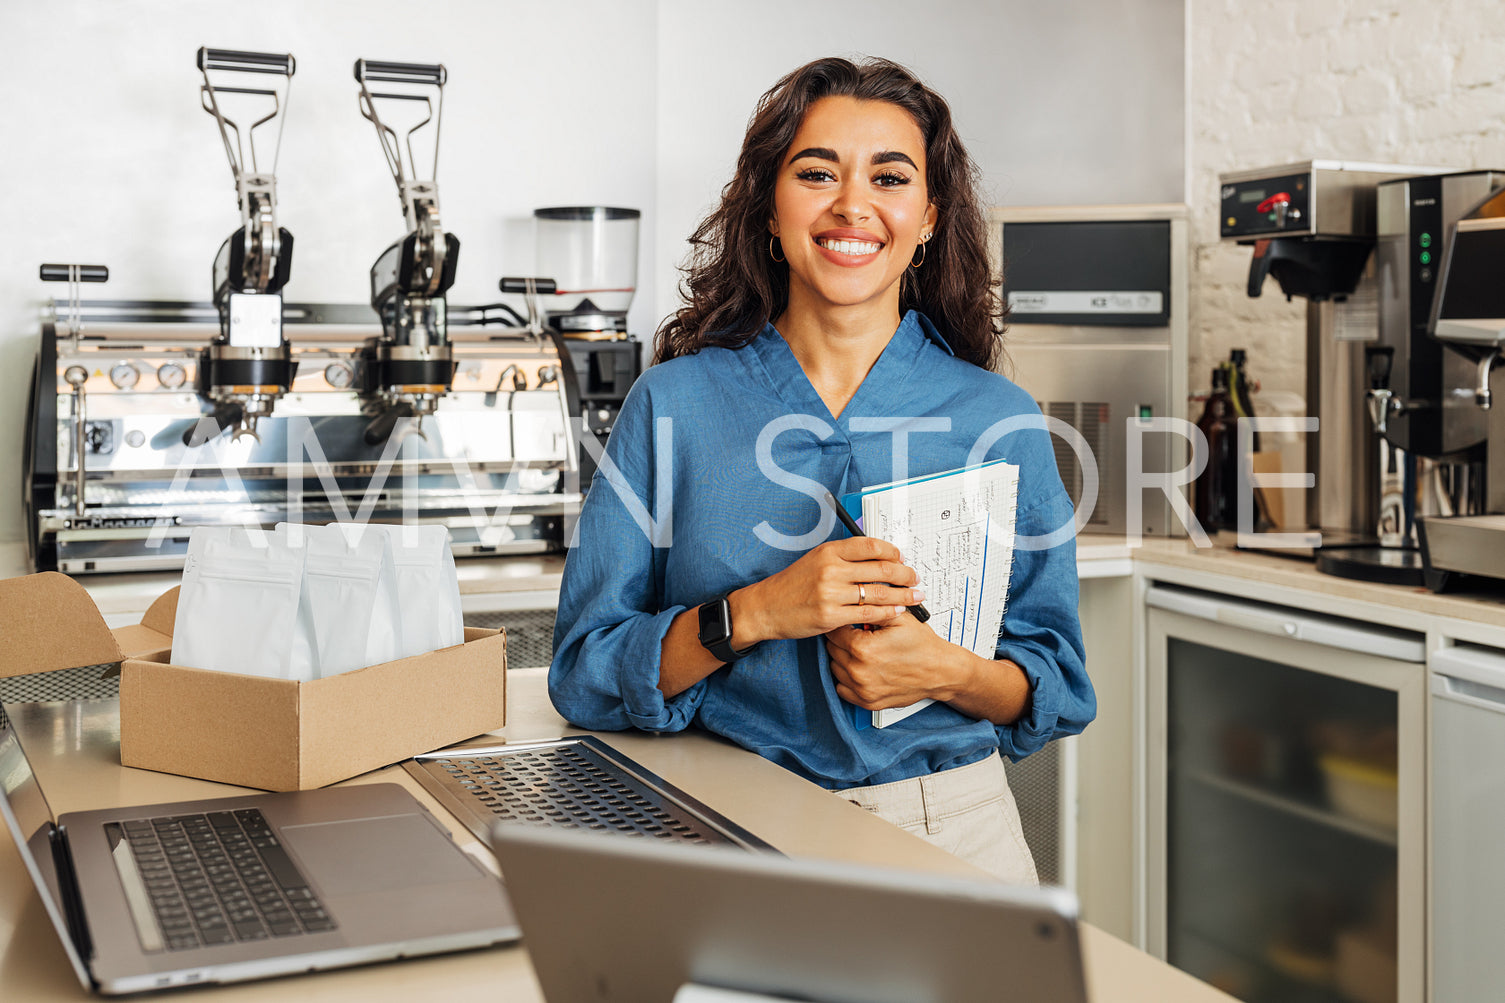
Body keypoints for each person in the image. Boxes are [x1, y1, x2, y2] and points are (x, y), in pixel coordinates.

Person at [549, 56, 1094, 883]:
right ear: (770, 208)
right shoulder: (672, 405)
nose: (852, 205)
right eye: (815, 173)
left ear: (925, 219)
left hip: (954, 833)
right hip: (725, 818)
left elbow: (1053, 683)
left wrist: (944, 670)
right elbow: (584, 674)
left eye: (889, 177)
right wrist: (754, 613)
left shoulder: (999, 419)